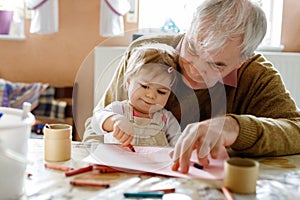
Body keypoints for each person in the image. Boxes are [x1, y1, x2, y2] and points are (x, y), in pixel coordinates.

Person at [84, 0, 300, 174]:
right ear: (188, 30)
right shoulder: (145, 55)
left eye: (216, 64)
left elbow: (296, 129)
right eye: (193, 48)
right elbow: (95, 126)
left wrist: (235, 128)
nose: (195, 70)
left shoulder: (256, 75)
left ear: (241, 61)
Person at [89, 43, 181, 147]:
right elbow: (95, 122)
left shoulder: (167, 118)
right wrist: (114, 120)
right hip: (118, 162)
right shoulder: (119, 109)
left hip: (152, 163)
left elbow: (178, 143)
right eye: (145, 86)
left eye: (161, 92)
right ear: (128, 82)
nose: (151, 95)